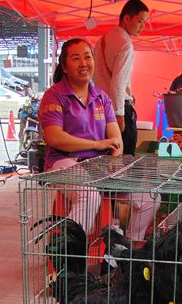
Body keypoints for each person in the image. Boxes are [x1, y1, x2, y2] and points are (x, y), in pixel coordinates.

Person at [39, 38, 156, 241]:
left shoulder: (102, 97)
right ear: (64, 67)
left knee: (149, 198)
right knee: (89, 195)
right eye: (76, 58)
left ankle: (128, 252)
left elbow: (115, 139)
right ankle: (69, 255)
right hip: (64, 161)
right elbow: (54, 137)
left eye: (88, 57)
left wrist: (114, 160)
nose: (84, 63)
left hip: (99, 165)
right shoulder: (55, 95)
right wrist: (96, 144)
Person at [92, 0, 149, 156]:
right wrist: (120, 116)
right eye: (140, 21)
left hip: (100, 106)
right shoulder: (125, 44)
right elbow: (117, 84)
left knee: (102, 159)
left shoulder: (102, 40)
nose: (142, 26)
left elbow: (98, 77)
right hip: (118, 108)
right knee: (124, 160)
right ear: (126, 18)